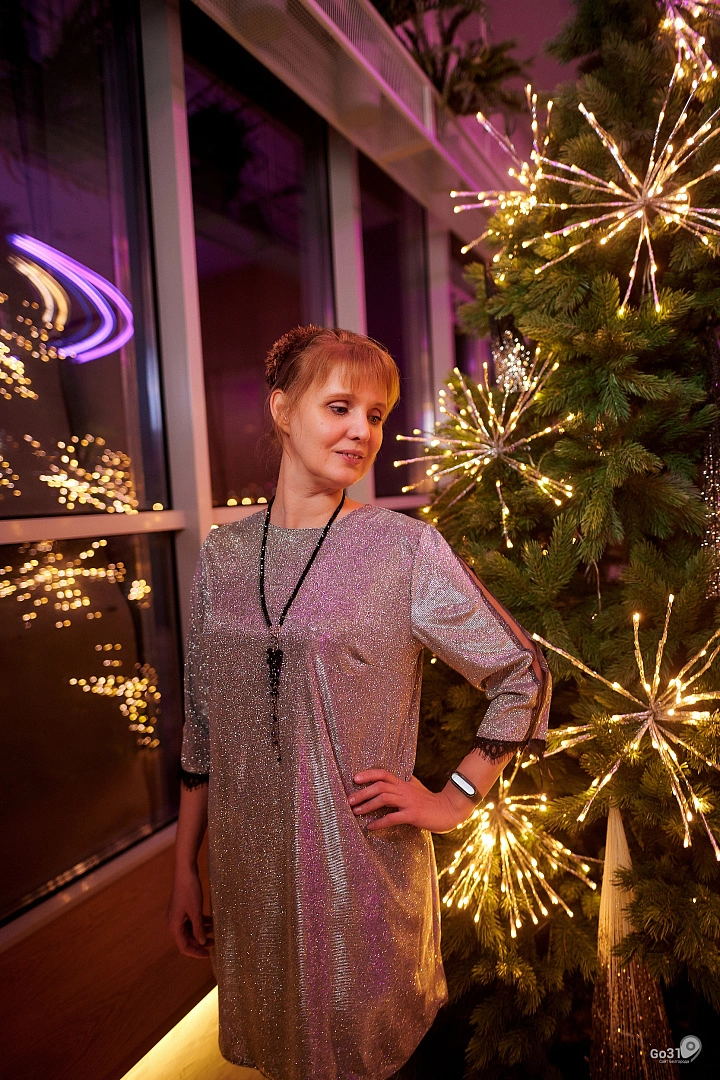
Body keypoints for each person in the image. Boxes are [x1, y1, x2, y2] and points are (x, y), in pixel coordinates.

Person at [167, 325, 551, 1080]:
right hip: (250, 881)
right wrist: (185, 867)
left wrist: (456, 797)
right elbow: (204, 724)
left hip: (359, 878)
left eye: (375, 415)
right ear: (282, 408)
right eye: (340, 407)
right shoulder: (224, 553)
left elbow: (523, 674)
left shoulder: (401, 549)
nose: (361, 431)